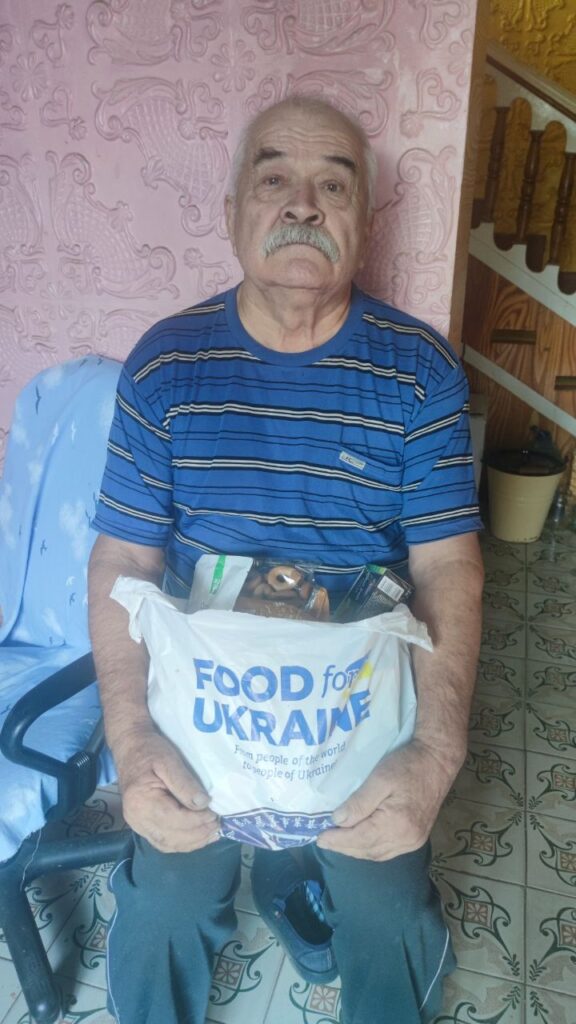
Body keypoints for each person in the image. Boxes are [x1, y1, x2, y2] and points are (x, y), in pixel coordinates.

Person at [88, 95, 484, 1024]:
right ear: (233, 211)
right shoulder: (165, 368)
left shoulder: (419, 372)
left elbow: (448, 570)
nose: (303, 203)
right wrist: (133, 742)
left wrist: (435, 752)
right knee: (161, 907)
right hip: (206, 704)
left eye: (333, 186)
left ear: (364, 223)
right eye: (275, 179)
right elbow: (123, 557)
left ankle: (308, 890)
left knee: (388, 913)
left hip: (354, 707)